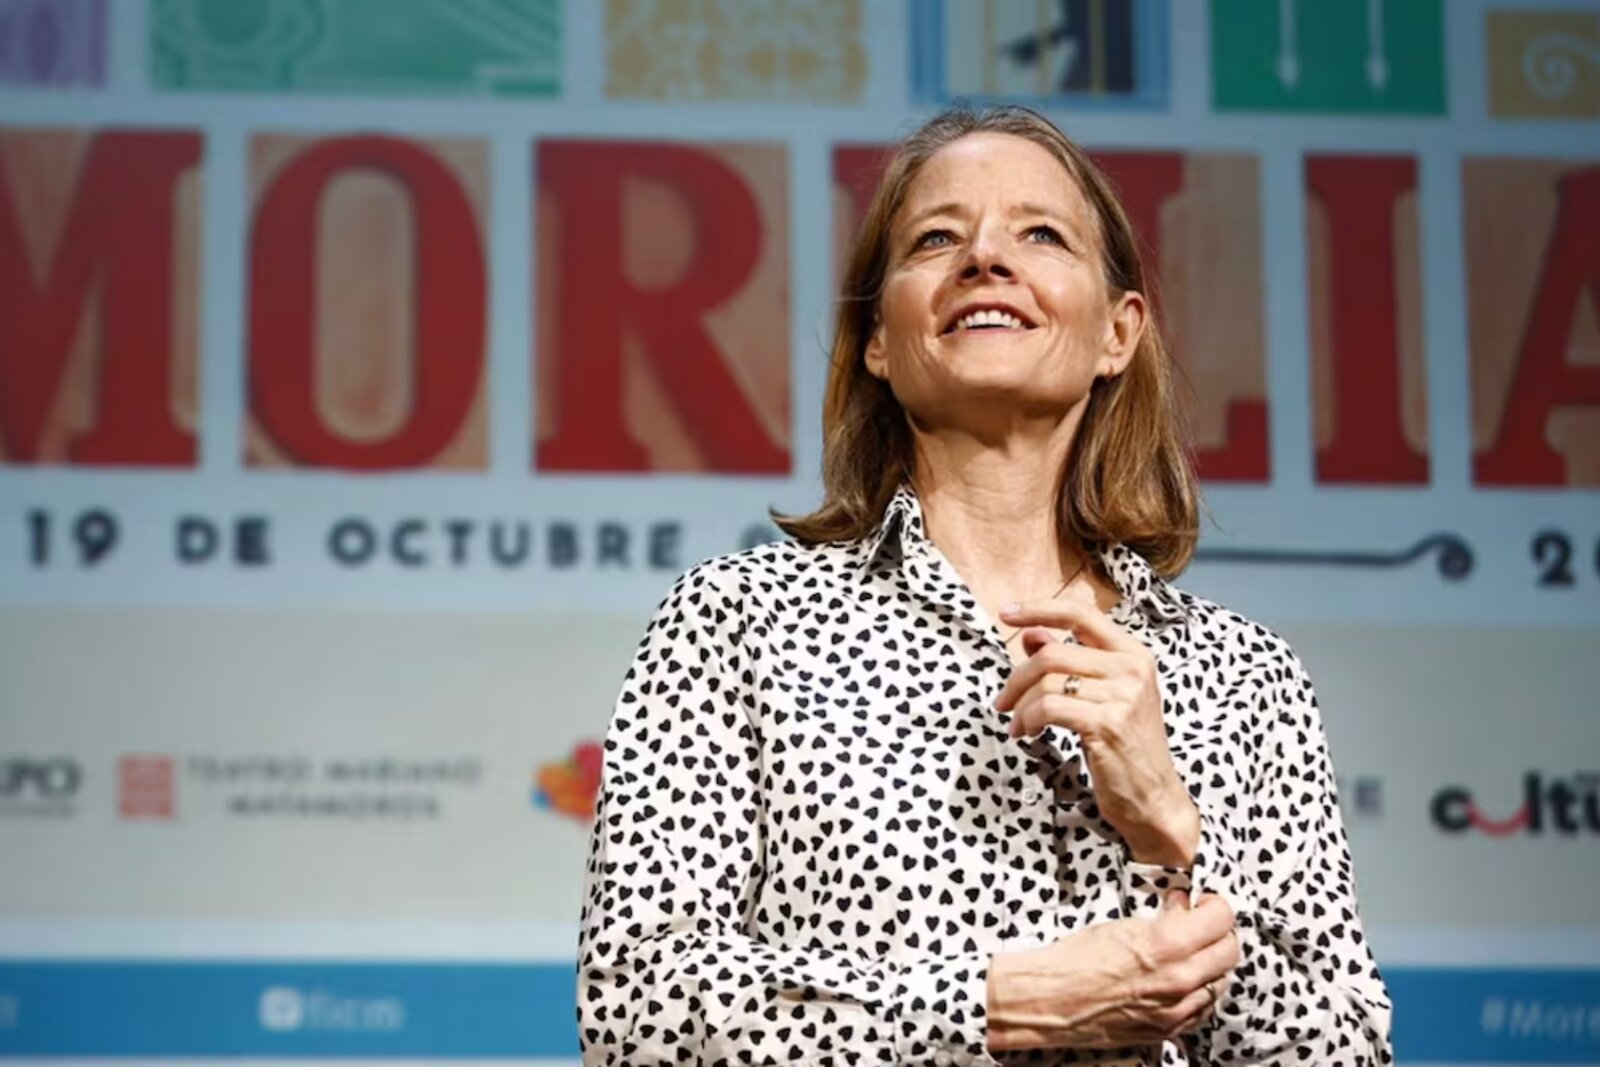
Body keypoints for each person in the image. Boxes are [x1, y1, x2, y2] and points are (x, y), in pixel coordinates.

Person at [576, 105, 1393, 1065]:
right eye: (937, 239)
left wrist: (1175, 832)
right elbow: (637, 1011)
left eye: (1040, 234)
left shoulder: (1246, 676)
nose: (986, 258)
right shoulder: (739, 621)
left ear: (1118, 332)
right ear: (878, 339)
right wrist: (999, 1008)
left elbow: (1340, 1053)